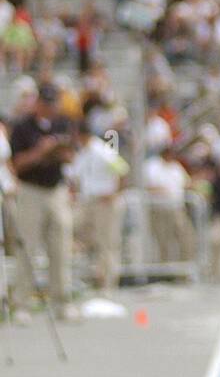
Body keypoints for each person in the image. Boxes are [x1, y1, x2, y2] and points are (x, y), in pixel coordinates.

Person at [8, 82, 79, 322]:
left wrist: (58, 151)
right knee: (27, 246)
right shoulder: (22, 127)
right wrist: (41, 151)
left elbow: (70, 155)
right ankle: (21, 304)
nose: (51, 108)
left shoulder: (62, 123)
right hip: (31, 190)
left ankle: (62, 301)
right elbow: (17, 164)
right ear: (38, 103)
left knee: (60, 245)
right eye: (47, 103)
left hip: (55, 188)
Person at [68, 119, 129, 291]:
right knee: (78, 235)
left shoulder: (102, 150)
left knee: (107, 243)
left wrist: (114, 193)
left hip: (105, 203)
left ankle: (108, 284)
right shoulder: (83, 153)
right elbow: (76, 177)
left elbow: (123, 170)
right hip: (89, 201)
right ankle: (95, 277)